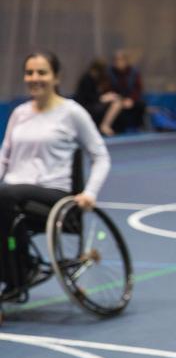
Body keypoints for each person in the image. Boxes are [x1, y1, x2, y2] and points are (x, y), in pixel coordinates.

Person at [0, 51, 110, 301]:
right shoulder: (19, 113)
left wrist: (90, 192)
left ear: (56, 77)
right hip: (10, 196)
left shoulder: (72, 113)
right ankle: (21, 267)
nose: (34, 78)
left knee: (4, 195)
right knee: (4, 199)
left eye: (42, 72)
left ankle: (15, 279)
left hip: (53, 196)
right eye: (29, 73)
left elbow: (101, 156)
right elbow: (4, 158)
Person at [99, 50, 146, 136]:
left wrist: (131, 99)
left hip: (130, 99)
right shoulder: (110, 72)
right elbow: (107, 89)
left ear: (126, 61)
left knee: (141, 103)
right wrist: (112, 96)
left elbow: (137, 89)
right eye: (116, 60)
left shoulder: (134, 72)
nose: (118, 62)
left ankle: (138, 126)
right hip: (115, 99)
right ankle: (105, 126)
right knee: (116, 103)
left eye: (120, 60)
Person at [73, 58, 115, 128]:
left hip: (93, 103)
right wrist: (102, 98)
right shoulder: (86, 79)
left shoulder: (98, 79)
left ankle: (105, 126)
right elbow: (88, 97)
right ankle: (104, 126)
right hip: (85, 105)